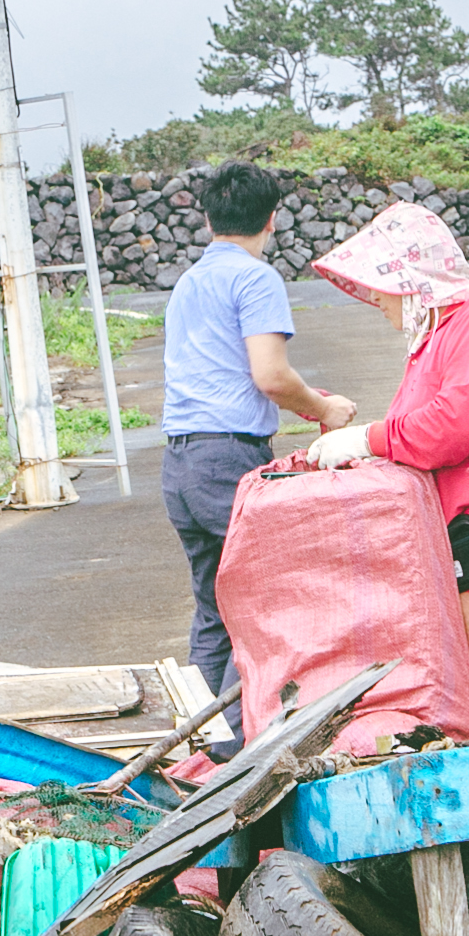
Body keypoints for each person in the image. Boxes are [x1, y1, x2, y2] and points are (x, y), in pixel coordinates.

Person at [306, 202, 469, 736]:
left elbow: (457, 425)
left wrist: (368, 438)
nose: (374, 297)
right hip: (450, 560)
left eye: (380, 282)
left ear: (412, 274)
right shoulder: (436, 335)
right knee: (466, 730)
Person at [159, 162, 356, 736]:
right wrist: (324, 411)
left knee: (214, 611)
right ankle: (238, 758)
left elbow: (231, 373)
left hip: (180, 465)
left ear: (206, 218)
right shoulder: (255, 278)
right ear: (272, 219)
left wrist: (310, 398)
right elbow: (269, 375)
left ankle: (199, 748)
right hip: (228, 462)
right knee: (266, 602)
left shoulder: (190, 283)